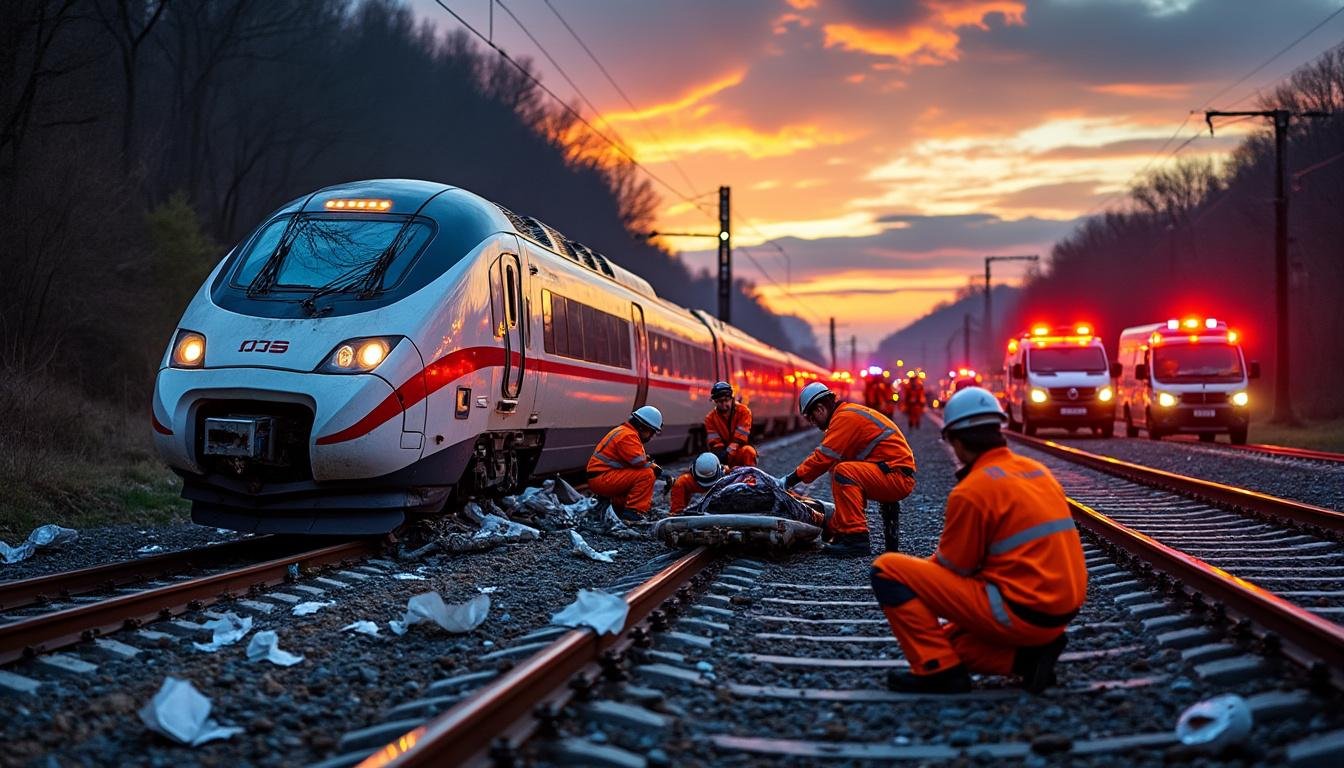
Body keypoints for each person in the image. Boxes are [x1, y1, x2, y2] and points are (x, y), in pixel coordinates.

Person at [870, 387, 1086, 694]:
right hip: (1057, 613)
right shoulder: (1037, 471)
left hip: (1021, 612)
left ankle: (939, 673)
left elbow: (953, 568)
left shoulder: (973, 491)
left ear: (956, 442)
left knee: (887, 569)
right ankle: (1029, 661)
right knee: (947, 642)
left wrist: (915, 583)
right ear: (998, 429)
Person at [779, 382, 915, 556]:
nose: (813, 423)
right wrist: (833, 527)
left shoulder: (844, 418)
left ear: (820, 409)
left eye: (812, 418)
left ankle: (856, 538)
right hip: (891, 472)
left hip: (896, 477)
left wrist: (789, 480)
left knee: (844, 471)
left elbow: (822, 457)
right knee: (839, 467)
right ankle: (845, 529)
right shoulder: (848, 413)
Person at [587, 406, 664, 523]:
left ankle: (610, 503)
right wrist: (658, 470)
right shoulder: (628, 436)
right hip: (602, 479)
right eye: (651, 432)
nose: (651, 436)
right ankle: (633, 514)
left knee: (633, 493)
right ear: (642, 427)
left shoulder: (624, 432)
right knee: (647, 474)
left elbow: (634, 459)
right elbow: (639, 462)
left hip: (603, 477)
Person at [704, 381, 757, 467]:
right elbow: (715, 442)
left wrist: (728, 453)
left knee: (749, 451)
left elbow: (740, 438)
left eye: (726, 400)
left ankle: (749, 477)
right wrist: (720, 455)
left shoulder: (744, 412)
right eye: (719, 401)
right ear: (715, 402)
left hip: (738, 452)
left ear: (732, 398)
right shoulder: (710, 419)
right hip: (722, 455)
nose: (723, 404)